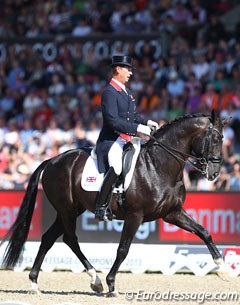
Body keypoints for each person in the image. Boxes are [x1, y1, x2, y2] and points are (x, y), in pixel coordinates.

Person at [95, 55, 158, 221]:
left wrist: (147, 122)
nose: (130, 72)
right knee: (116, 165)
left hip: (127, 138)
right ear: (117, 69)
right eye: (127, 69)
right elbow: (113, 121)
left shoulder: (127, 92)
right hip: (112, 139)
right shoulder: (109, 92)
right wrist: (138, 128)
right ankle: (101, 206)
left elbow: (133, 115)